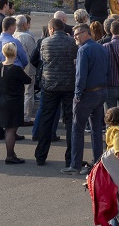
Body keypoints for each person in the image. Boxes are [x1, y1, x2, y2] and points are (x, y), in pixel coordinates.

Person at [62, 23, 110, 175]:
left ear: (87, 33)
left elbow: (80, 76)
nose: (75, 36)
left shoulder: (83, 50)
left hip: (87, 94)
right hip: (101, 92)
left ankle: (75, 164)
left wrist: (77, 95)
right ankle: (97, 163)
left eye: (77, 33)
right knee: (96, 130)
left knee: (78, 129)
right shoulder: (102, 48)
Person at [34, 18, 77, 167]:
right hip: (69, 85)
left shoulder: (45, 42)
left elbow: (42, 60)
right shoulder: (72, 42)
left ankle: (41, 155)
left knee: (47, 119)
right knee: (70, 120)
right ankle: (70, 157)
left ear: (51, 29)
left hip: (50, 85)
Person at [0, 42, 31, 164]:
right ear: (15, 54)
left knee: (8, 129)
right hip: (14, 102)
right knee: (11, 130)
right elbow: (28, 80)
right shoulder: (16, 69)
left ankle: (11, 153)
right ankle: (10, 155)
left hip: (3, 100)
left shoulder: (0, 66)